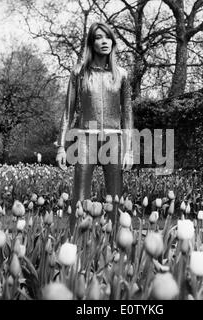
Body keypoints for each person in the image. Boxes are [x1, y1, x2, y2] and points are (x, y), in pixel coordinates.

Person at [56, 22, 133, 234]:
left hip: (114, 140)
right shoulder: (79, 73)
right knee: (80, 198)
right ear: (92, 43)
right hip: (84, 140)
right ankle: (76, 247)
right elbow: (68, 111)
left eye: (107, 37)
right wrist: (62, 147)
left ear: (113, 42)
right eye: (98, 37)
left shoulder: (122, 75)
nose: (104, 41)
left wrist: (128, 150)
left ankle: (115, 248)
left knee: (115, 198)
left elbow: (127, 114)